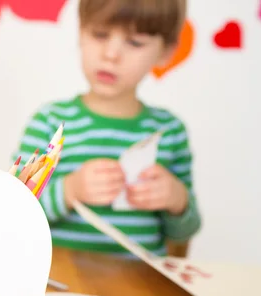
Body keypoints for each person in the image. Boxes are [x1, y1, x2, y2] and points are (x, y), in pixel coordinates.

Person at [12, 0, 201, 258]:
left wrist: (178, 201)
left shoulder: (170, 131)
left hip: (143, 285)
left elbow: (184, 232)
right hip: (60, 279)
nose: (111, 54)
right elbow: (13, 212)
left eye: (135, 42)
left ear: (166, 52)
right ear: (81, 32)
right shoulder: (50, 121)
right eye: (100, 34)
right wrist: (69, 190)